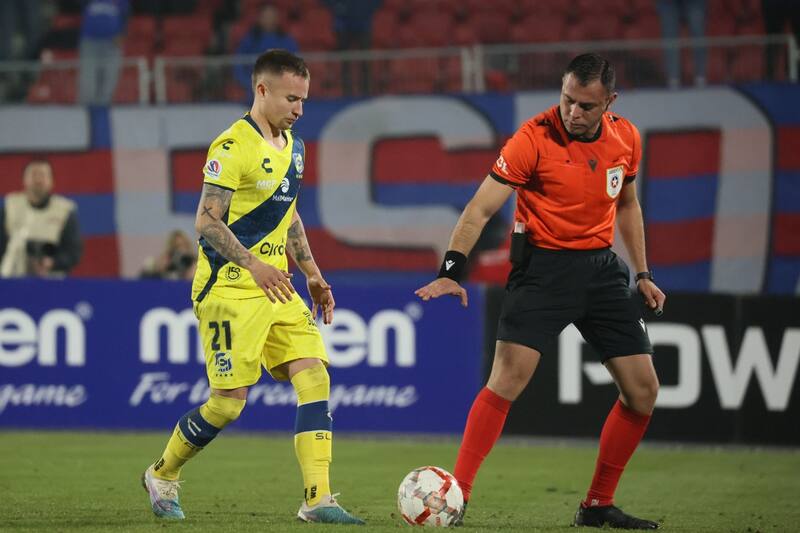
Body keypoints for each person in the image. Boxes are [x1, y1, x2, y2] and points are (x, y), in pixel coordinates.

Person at [416, 53, 665, 530]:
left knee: (643, 391)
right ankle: (457, 497)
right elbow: (478, 209)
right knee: (506, 379)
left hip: (601, 270)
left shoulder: (627, 137)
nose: (572, 112)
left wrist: (643, 272)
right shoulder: (532, 138)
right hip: (542, 269)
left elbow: (628, 205)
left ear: (609, 102)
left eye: (586, 106)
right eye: (567, 99)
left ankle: (597, 505)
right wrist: (452, 270)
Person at [141, 49, 364, 525]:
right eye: (291, 98)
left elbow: (288, 217)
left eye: (304, 99)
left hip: (278, 289)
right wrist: (254, 266)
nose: (299, 109)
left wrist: (313, 274)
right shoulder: (231, 146)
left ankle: (317, 499)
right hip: (229, 290)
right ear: (261, 90)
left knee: (315, 376)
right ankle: (162, 474)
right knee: (228, 405)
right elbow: (205, 220)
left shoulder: (295, 148)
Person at [0, 159, 82, 278]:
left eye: (43, 175)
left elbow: (73, 252)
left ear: (52, 181)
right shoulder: (10, 206)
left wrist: (51, 263)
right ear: (24, 180)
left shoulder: (65, 210)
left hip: (52, 282)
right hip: (12, 279)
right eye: (33, 174)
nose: (38, 180)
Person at [234, 4, 298, 95]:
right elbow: (238, 64)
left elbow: (295, 66)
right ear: (259, 18)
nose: (269, 20)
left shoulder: (286, 40)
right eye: (266, 17)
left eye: (271, 17)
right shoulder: (249, 40)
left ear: (277, 19)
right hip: (253, 91)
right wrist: (251, 84)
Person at [78, 0, 129, 105]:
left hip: (112, 43)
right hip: (90, 43)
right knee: (88, 84)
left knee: (108, 85)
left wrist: (122, 33)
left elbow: (126, 15)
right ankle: (86, 111)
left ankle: (103, 112)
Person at [655, 0, 707, 88]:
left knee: (698, 33)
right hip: (668, 3)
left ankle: (700, 78)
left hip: (695, 2)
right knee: (670, 37)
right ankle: (673, 80)